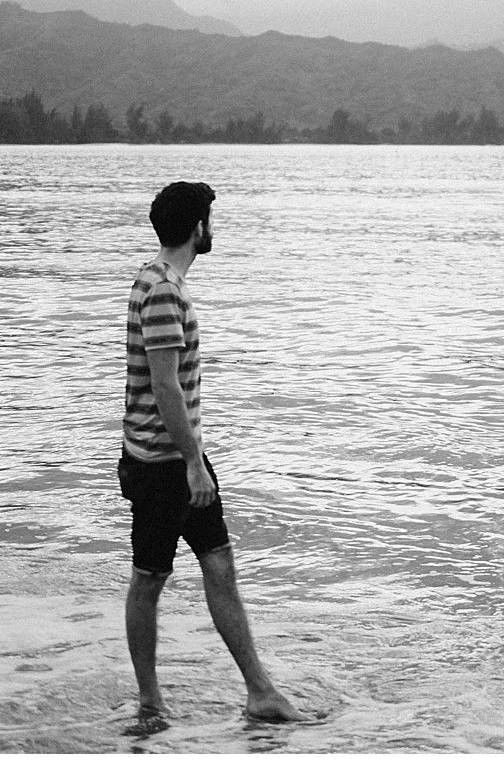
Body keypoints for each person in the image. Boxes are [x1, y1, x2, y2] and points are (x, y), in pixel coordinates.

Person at [118, 180, 300, 723]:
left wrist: (194, 460)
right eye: (210, 220)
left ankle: (260, 691)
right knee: (149, 579)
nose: (212, 229)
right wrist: (194, 464)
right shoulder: (164, 291)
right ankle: (150, 703)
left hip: (176, 456)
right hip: (164, 463)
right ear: (198, 228)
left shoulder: (155, 279)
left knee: (219, 565)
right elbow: (166, 385)